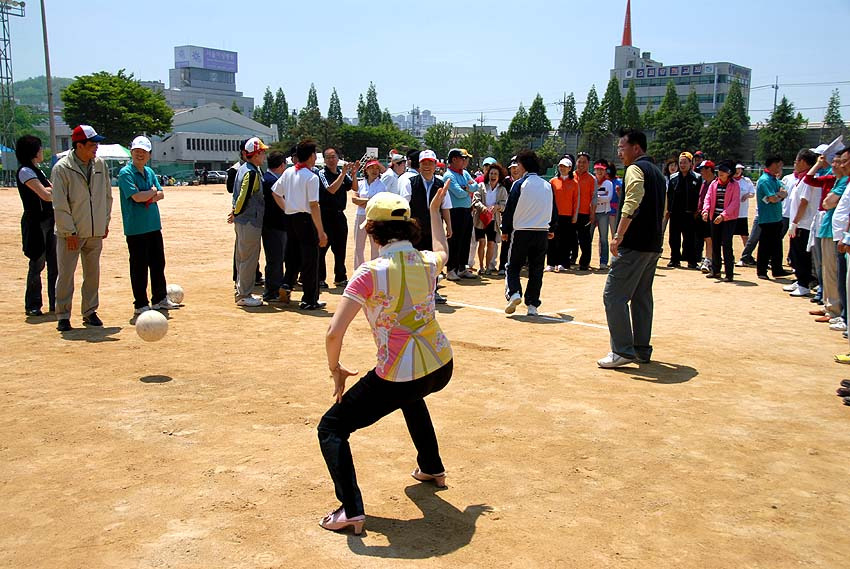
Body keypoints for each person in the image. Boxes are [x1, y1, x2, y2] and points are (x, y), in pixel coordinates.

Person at [316, 189, 454, 535]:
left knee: (331, 427)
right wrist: (436, 210)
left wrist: (336, 368)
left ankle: (351, 509)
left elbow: (334, 333)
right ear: (409, 227)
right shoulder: (426, 260)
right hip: (441, 365)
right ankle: (431, 467)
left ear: (372, 230)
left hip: (400, 374)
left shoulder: (369, 273)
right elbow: (443, 250)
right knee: (410, 395)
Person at [599, 129, 665, 368]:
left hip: (635, 244)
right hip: (653, 244)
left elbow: (633, 200)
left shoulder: (635, 169)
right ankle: (641, 349)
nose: (619, 152)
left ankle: (622, 350)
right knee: (641, 297)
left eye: (622, 147)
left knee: (614, 295)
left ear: (636, 148)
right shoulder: (658, 173)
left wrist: (619, 235)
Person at [51, 125, 113, 332]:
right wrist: (69, 231)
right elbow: (60, 204)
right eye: (92, 144)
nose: (96, 148)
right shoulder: (62, 168)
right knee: (66, 275)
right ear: (79, 145)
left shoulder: (100, 165)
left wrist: (105, 222)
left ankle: (89, 311)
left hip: (95, 230)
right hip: (72, 233)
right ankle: (63, 314)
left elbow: (107, 196)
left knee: (92, 274)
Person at [117, 136, 179, 314]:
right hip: (136, 228)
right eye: (137, 150)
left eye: (143, 151)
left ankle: (159, 298)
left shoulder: (149, 172)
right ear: (131, 151)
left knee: (158, 264)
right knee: (139, 266)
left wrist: (149, 195)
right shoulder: (126, 173)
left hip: (153, 226)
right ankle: (141, 303)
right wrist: (150, 193)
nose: (140, 154)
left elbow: (161, 194)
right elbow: (136, 197)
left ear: (149, 154)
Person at [501, 150, 557, 317]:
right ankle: (532, 305)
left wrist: (505, 230)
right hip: (541, 232)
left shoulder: (519, 184)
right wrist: (552, 228)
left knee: (513, 266)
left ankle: (514, 293)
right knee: (536, 269)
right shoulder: (547, 185)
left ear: (523, 165)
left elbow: (509, 209)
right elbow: (554, 209)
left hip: (521, 232)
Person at [274, 140, 328, 310]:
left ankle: (286, 284)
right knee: (311, 259)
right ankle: (309, 299)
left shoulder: (289, 171)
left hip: (290, 218)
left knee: (292, 255)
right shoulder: (312, 177)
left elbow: (276, 193)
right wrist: (321, 231)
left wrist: (287, 208)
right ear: (312, 156)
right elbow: (314, 205)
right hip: (305, 219)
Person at [16, 135, 56, 317]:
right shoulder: (25, 171)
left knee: (54, 263)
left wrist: (50, 190)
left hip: (49, 219)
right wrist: (50, 190)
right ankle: (33, 304)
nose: (41, 152)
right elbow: (46, 194)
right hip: (35, 223)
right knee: (37, 263)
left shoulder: (37, 170)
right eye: (39, 148)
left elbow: (52, 189)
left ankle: (55, 302)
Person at [231, 137, 269, 307]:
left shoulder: (244, 168)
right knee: (248, 258)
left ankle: (241, 290)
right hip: (250, 221)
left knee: (242, 256)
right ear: (254, 155)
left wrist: (235, 212)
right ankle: (244, 294)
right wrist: (237, 212)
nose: (264, 156)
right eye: (261, 152)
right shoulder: (252, 172)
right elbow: (244, 195)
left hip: (243, 220)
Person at [318, 148, 358, 289]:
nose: (331, 160)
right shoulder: (322, 173)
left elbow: (354, 187)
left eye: (333, 157)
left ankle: (340, 277)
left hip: (339, 215)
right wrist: (343, 173)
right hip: (325, 215)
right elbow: (331, 189)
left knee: (340, 249)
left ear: (338, 158)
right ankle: (320, 278)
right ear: (324, 160)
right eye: (328, 157)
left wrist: (353, 174)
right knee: (322, 249)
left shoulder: (341, 174)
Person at [783, 150, 818, 297]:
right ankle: (800, 280)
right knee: (796, 253)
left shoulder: (808, 180)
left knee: (802, 255)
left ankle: (804, 284)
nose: (795, 164)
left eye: (797, 161)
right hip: (798, 223)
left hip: (803, 223)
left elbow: (804, 202)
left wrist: (795, 222)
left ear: (804, 162)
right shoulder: (802, 178)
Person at [701, 162, 740, 281]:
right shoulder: (714, 183)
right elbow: (707, 198)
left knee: (727, 245)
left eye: (723, 173)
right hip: (714, 217)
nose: (720, 174)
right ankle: (715, 270)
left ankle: (729, 273)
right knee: (715, 244)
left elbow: (734, 203)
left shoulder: (735, 186)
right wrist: (706, 211)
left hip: (728, 219)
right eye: (719, 172)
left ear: (729, 174)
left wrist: (723, 215)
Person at [443, 148, 478, 280]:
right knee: (455, 240)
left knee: (465, 239)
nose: (464, 161)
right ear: (454, 159)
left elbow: (476, 186)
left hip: (466, 210)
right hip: (455, 211)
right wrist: (468, 189)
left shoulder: (465, 173)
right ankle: (451, 269)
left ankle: (462, 267)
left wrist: (466, 188)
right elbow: (459, 193)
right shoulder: (449, 175)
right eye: (462, 158)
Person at [261, 150, 289, 302]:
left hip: (271, 225)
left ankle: (274, 289)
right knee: (275, 259)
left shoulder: (267, 178)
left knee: (275, 258)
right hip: (275, 225)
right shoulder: (272, 181)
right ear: (282, 164)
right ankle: (272, 291)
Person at [666, 152, 701, 268]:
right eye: (680, 162)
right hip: (675, 213)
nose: (682, 165)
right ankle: (674, 259)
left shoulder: (697, 178)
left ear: (691, 163)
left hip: (690, 214)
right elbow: (670, 196)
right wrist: (668, 210)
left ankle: (692, 261)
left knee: (690, 239)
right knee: (674, 238)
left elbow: (700, 196)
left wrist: (697, 209)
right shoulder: (673, 178)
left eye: (685, 162)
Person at [755, 156, 788, 280]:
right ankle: (762, 271)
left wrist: (777, 195)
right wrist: (778, 196)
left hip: (777, 217)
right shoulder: (765, 180)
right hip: (767, 218)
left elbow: (783, 192)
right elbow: (773, 198)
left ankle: (777, 269)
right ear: (773, 164)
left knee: (777, 246)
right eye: (779, 165)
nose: (780, 168)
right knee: (765, 245)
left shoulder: (774, 179)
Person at [472, 162, 508, 274]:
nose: (493, 176)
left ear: (499, 176)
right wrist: (482, 207)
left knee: (491, 243)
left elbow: (504, 205)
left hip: (493, 220)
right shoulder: (481, 186)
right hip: (481, 219)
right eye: (491, 173)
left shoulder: (502, 189)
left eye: (495, 174)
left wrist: (497, 207)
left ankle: (488, 267)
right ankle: (481, 267)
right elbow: (475, 200)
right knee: (481, 241)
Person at [352, 160, 388, 267]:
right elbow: (354, 199)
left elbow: (379, 201)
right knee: (359, 246)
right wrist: (370, 200)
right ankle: (358, 271)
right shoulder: (360, 184)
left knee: (375, 246)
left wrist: (362, 201)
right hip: (361, 216)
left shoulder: (382, 186)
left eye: (377, 168)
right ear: (366, 170)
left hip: (375, 217)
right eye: (371, 168)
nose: (374, 170)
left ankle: (374, 271)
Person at [547, 156, 578, 272]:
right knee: (552, 239)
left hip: (567, 215)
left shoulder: (574, 183)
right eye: (561, 166)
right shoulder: (553, 182)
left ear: (570, 168)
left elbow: (576, 200)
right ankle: (550, 263)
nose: (562, 168)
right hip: (554, 215)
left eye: (565, 167)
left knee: (565, 241)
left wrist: (575, 215)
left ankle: (562, 263)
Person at [574, 152, 597, 270]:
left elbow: (594, 198)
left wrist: (592, 214)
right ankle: (570, 260)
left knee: (584, 240)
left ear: (588, 164)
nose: (581, 164)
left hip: (584, 213)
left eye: (584, 162)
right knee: (571, 239)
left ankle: (584, 263)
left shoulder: (592, 179)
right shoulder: (571, 176)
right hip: (571, 213)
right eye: (579, 162)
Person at [593, 159, 614, 270]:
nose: (599, 172)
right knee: (588, 237)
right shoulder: (592, 181)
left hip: (604, 213)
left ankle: (604, 261)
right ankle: (585, 261)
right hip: (592, 212)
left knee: (603, 238)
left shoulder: (608, 183)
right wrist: (600, 198)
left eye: (602, 170)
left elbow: (608, 198)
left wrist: (596, 198)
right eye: (597, 169)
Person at [733, 164, 756, 248]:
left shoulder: (746, 181)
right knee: (727, 236)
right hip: (731, 213)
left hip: (742, 213)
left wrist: (747, 195)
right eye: (736, 169)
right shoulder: (729, 180)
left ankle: (747, 255)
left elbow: (752, 193)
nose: (738, 171)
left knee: (744, 235)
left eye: (740, 169)